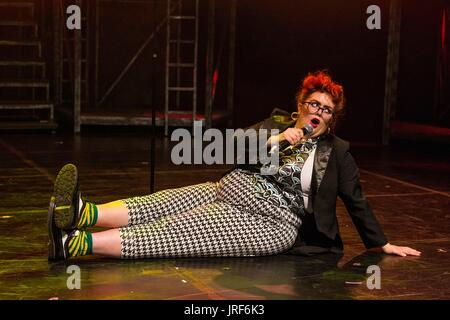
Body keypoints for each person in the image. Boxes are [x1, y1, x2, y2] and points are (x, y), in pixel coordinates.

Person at [47, 71, 421, 261]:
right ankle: (82, 211)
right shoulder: (276, 124)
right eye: (313, 103)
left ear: (332, 117)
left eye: (326, 109)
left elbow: (356, 200)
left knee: (175, 230)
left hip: (271, 220)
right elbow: (231, 149)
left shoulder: (337, 153)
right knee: (158, 203)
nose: (318, 112)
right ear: (301, 103)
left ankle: (73, 243)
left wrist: (382, 243)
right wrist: (276, 140)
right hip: (229, 188)